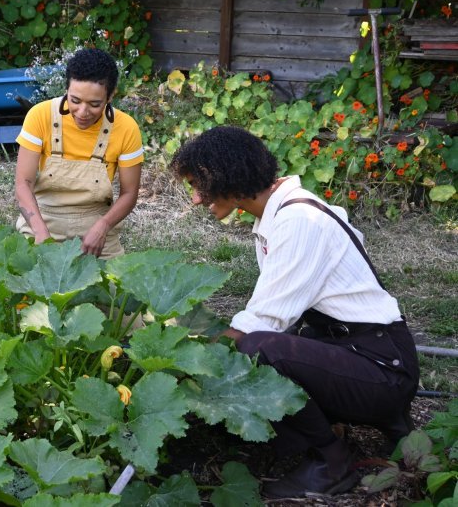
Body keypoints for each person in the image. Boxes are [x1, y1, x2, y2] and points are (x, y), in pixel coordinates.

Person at [170, 126, 419, 499]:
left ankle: (333, 460)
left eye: (199, 187)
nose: (194, 199)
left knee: (256, 351)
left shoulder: (299, 221)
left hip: (383, 369)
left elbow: (264, 322)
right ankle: (378, 420)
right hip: (370, 355)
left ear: (229, 179)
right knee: (273, 345)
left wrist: (180, 357)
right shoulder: (287, 211)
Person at [14, 48, 143, 258]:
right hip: (44, 219)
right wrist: (40, 233)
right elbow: (23, 184)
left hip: (96, 227)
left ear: (110, 96)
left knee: (113, 289)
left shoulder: (127, 128)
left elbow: (129, 194)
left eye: (94, 104)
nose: (82, 112)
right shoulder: (39, 116)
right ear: (66, 89)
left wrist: (102, 227)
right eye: (75, 100)